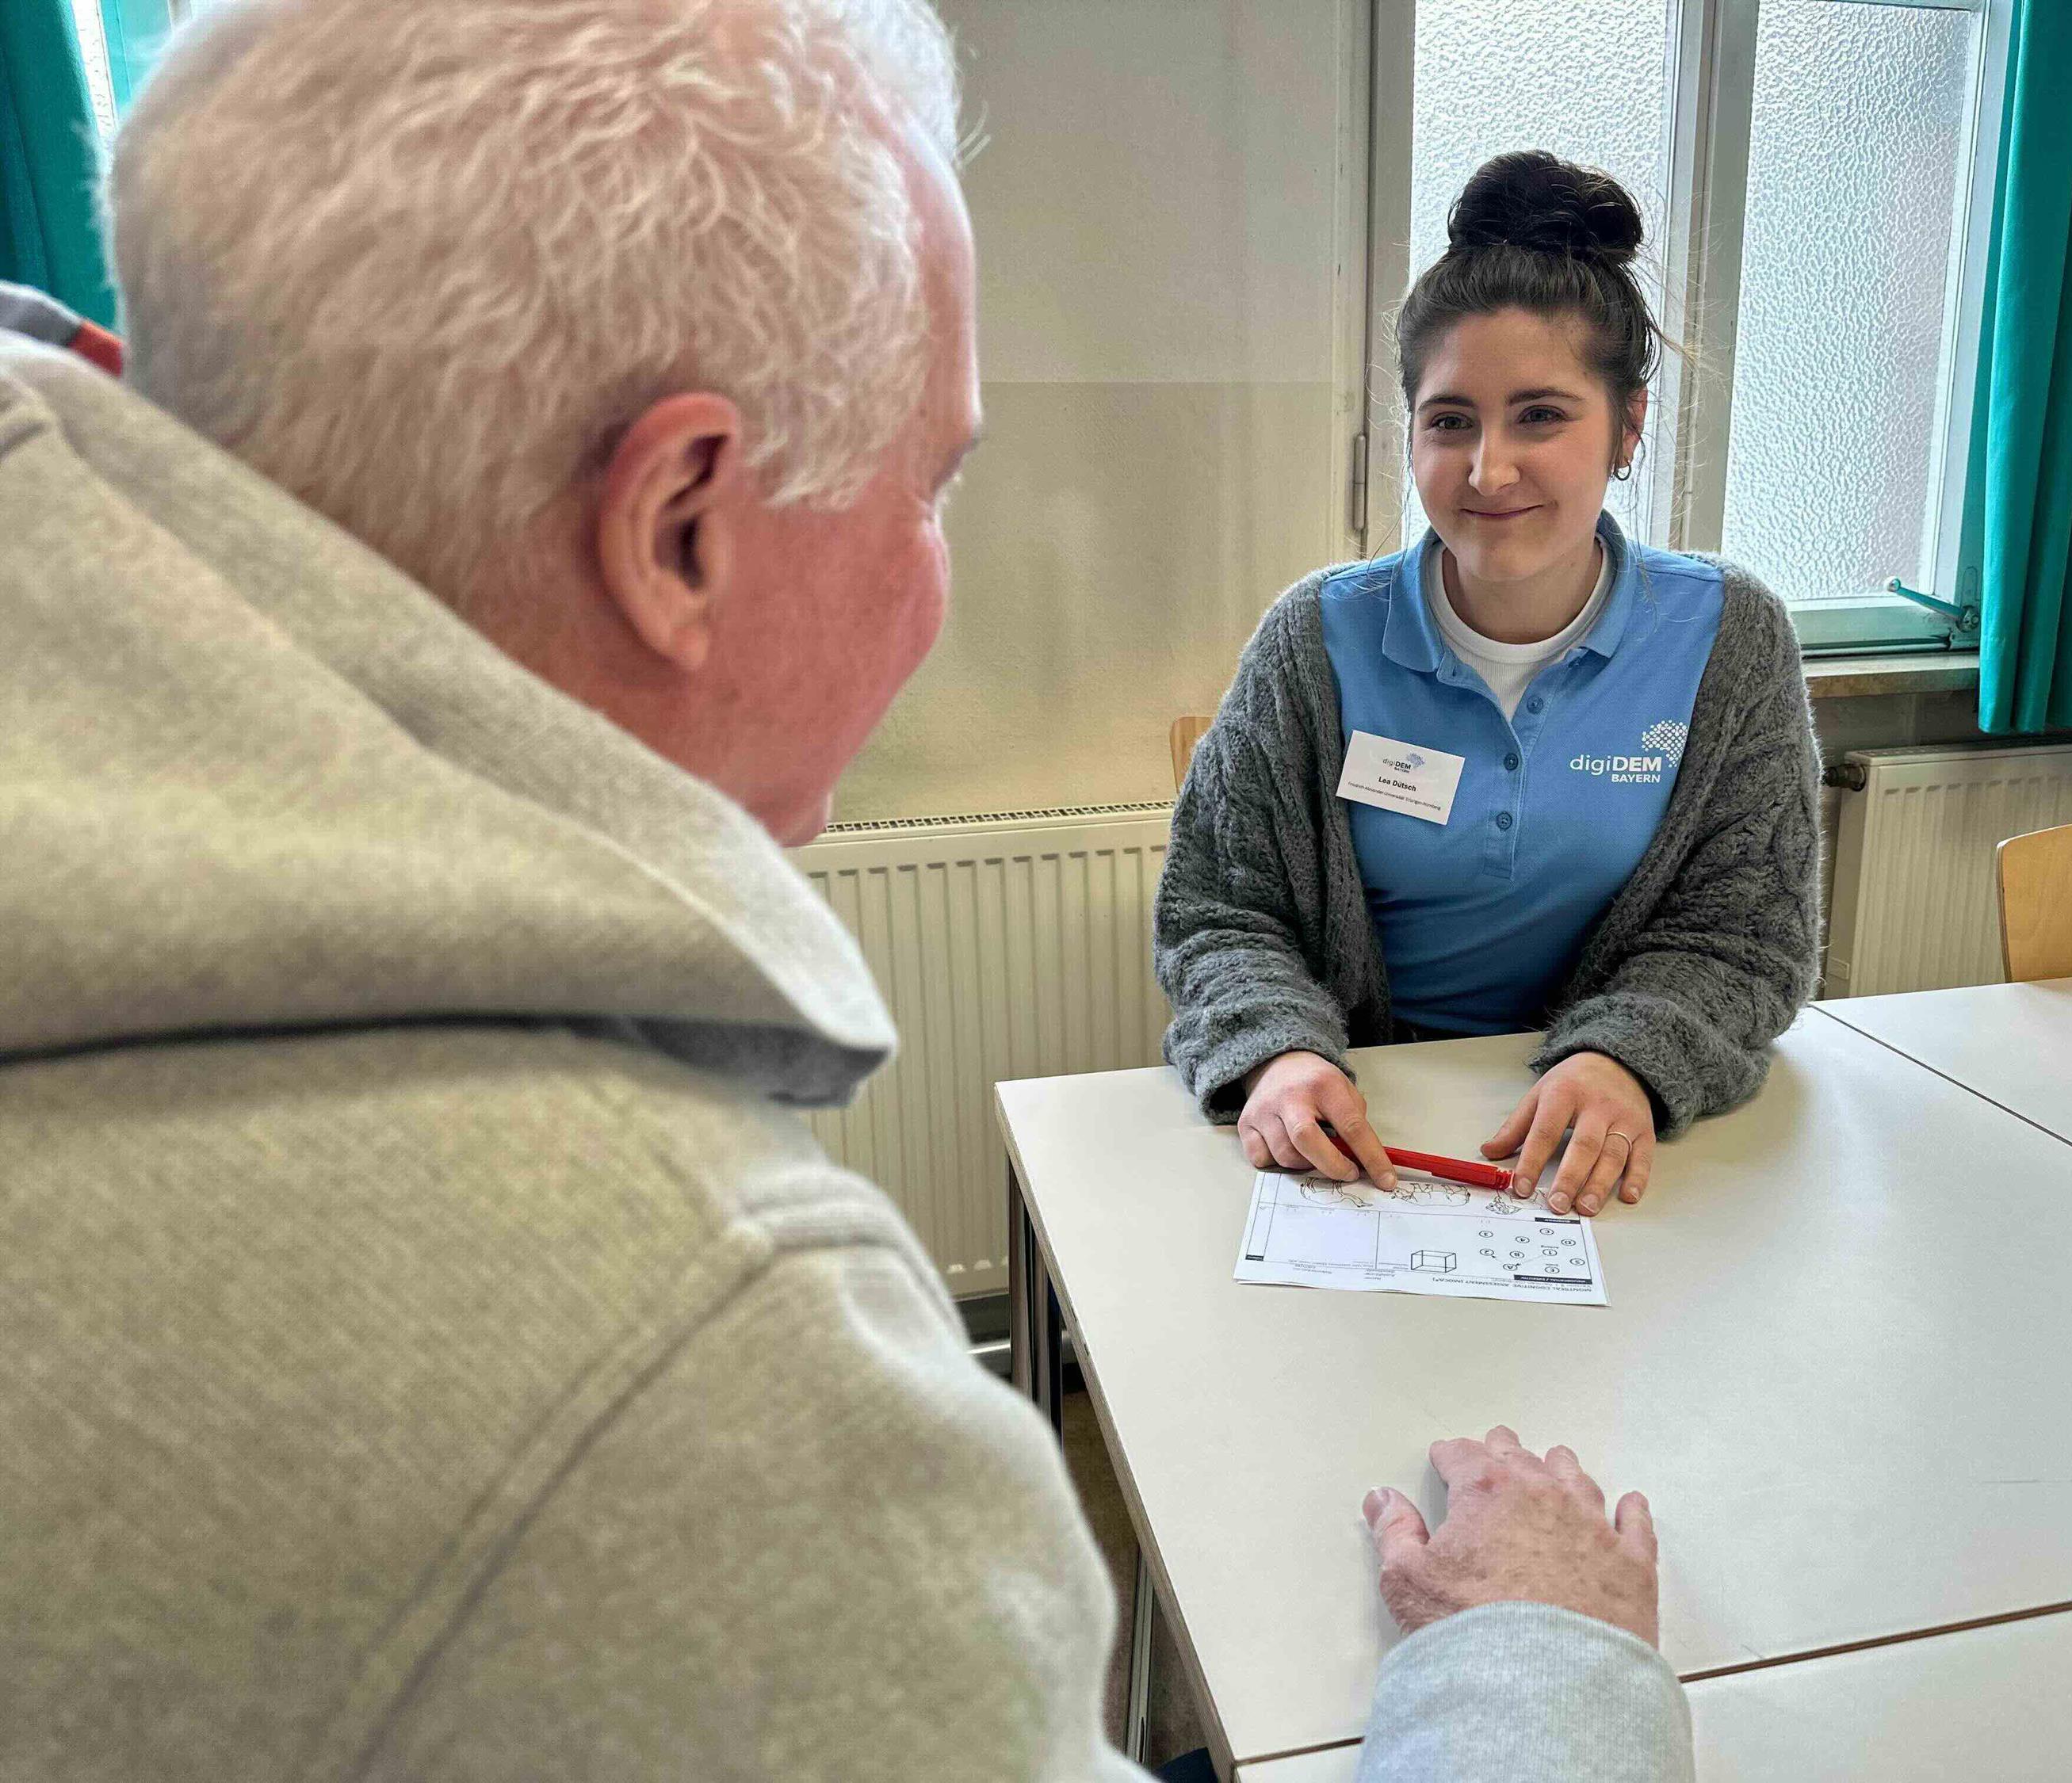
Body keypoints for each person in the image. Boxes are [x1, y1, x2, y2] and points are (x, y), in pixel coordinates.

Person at [0, 5, 1690, 1779]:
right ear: (680, 529)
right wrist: (1544, 1660)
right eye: (937, 483)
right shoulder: (705, 1373)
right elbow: (1226, 910)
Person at [1156, 151, 1822, 1221]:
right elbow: (1223, 913)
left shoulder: (1728, 638)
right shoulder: (1317, 640)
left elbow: (1743, 935)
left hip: (1606, 1150)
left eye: (1542, 416)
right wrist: (1277, 1053)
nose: (1488, 469)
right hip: (1368, 1141)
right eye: (1451, 420)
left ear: (1629, 426)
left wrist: (1626, 1057)